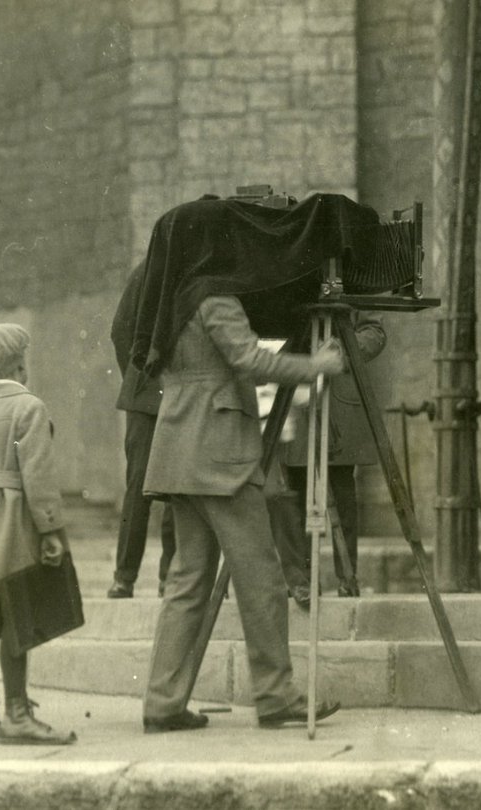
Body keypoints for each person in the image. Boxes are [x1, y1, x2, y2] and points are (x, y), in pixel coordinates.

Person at [139, 296, 346, 733]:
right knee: (262, 579)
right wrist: (317, 365)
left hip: (179, 444)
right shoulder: (216, 299)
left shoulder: (171, 299)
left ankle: (163, 701)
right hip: (221, 452)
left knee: (187, 581)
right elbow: (249, 360)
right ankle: (276, 695)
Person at [0, 323, 76, 745]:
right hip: (13, 516)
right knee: (16, 612)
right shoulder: (29, 407)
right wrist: (50, 528)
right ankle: (18, 714)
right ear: (19, 365)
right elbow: (38, 475)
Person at [284, 311, 387, 597]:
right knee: (295, 491)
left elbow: (374, 333)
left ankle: (347, 577)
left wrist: (341, 351)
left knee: (342, 494)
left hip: (337, 400)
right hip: (297, 392)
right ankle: (301, 580)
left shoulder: (355, 286)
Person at [107, 261, 175, 599]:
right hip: (147, 399)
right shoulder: (149, 270)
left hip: (179, 398)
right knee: (139, 487)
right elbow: (120, 331)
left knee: (178, 488)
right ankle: (124, 577)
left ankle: (170, 577)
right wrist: (141, 378)